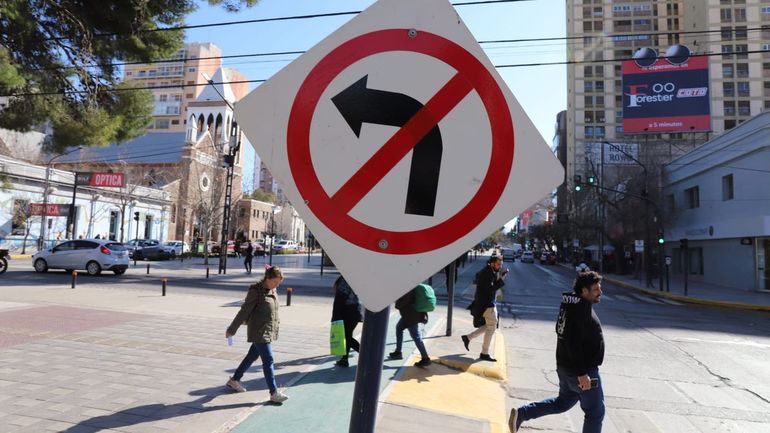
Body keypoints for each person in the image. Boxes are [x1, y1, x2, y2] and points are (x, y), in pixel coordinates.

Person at [509, 271, 605, 433]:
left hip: (566, 368)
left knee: (563, 403)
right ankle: (522, 413)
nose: (600, 292)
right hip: (582, 371)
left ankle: (522, 413)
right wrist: (582, 373)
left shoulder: (571, 306)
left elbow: (565, 335)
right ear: (584, 291)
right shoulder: (580, 309)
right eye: (596, 289)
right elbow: (572, 342)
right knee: (595, 414)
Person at [225, 265, 289, 403]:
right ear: (268, 278)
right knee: (268, 360)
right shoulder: (256, 291)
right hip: (259, 331)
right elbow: (244, 311)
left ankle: (234, 380)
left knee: (251, 356)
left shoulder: (272, 290)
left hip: (268, 329)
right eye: (275, 282)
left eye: (279, 283)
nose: (277, 285)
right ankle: (274, 392)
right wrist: (232, 329)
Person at [461, 256, 507, 362]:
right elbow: (489, 290)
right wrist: (501, 281)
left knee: (491, 326)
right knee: (492, 327)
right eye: (498, 264)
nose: (500, 267)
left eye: (501, 264)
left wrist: (500, 277)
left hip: (488, 303)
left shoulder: (490, 271)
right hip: (487, 305)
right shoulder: (487, 273)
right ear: (492, 263)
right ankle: (484, 353)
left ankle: (468, 338)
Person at [388, 286, 431, 367]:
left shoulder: (408, 287)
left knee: (416, 336)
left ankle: (425, 358)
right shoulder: (411, 284)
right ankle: (398, 351)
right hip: (410, 314)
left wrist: (397, 303)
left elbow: (403, 301)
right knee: (399, 328)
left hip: (411, 315)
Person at [331, 276, 362, 368]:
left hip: (347, 312)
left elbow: (339, 300)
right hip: (356, 310)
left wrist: (335, 317)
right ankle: (345, 359)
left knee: (346, 336)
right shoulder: (355, 278)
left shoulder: (345, 281)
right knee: (347, 336)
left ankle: (367, 354)